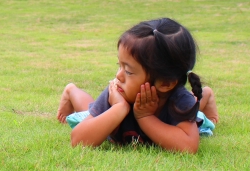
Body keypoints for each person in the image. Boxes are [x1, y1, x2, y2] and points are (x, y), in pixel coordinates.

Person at [56, 18, 218, 153]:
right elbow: (78, 141)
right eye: (119, 66)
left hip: (182, 104)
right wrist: (119, 108)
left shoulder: (179, 99)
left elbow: (188, 147)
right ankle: (71, 91)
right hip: (113, 110)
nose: (118, 75)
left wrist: (145, 117)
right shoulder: (117, 93)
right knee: (88, 112)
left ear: (166, 83)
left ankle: (206, 95)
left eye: (128, 71)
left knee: (197, 114)